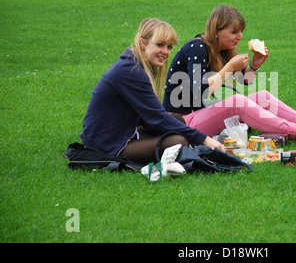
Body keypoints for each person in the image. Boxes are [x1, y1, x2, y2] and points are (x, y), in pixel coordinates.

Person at [162, 5, 296, 145]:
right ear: (216, 31)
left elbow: (244, 81)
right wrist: (229, 66)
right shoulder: (197, 48)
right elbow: (200, 91)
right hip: (181, 122)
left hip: (198, 114)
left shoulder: (219, 50)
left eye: (241, 31)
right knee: (237, 102)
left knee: (262, 96)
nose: (239, 37)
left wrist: (254, 65)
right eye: (234, 32)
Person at [80, 18, 224, 165]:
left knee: (177, 120)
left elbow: (150, 117)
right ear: (143, 43)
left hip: (122, 133)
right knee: (177, 141)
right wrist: (203, 138)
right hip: (107, 144)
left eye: (169, 47)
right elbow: (157, 118)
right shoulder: (132, 71)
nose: (165, 52)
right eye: (160, 45)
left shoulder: (139, 64)